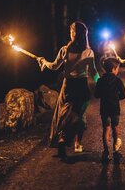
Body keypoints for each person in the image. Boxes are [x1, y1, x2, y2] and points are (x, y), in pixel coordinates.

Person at [38, 21, 99, 159]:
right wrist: (101, 83)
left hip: (68, 87)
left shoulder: (65, 50)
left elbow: (54, 66)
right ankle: (77, 144)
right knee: (79, 115)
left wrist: (44, 62)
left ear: (73, 33)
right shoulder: (89, 52)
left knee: (64, 115)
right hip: (82, 87)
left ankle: (61, 140)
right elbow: (94, 73)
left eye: (71, 31)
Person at [94, 58, 125, 164]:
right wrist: (116, 97)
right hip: (114, 107)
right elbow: (124, 95)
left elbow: (96, 94)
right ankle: (116, 151)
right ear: (114, 68)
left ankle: (106, 152)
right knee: (115, 127)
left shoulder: (100, 80)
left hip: (104, 108)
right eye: (117, 68)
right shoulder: (117, 81)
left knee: (106, 128)